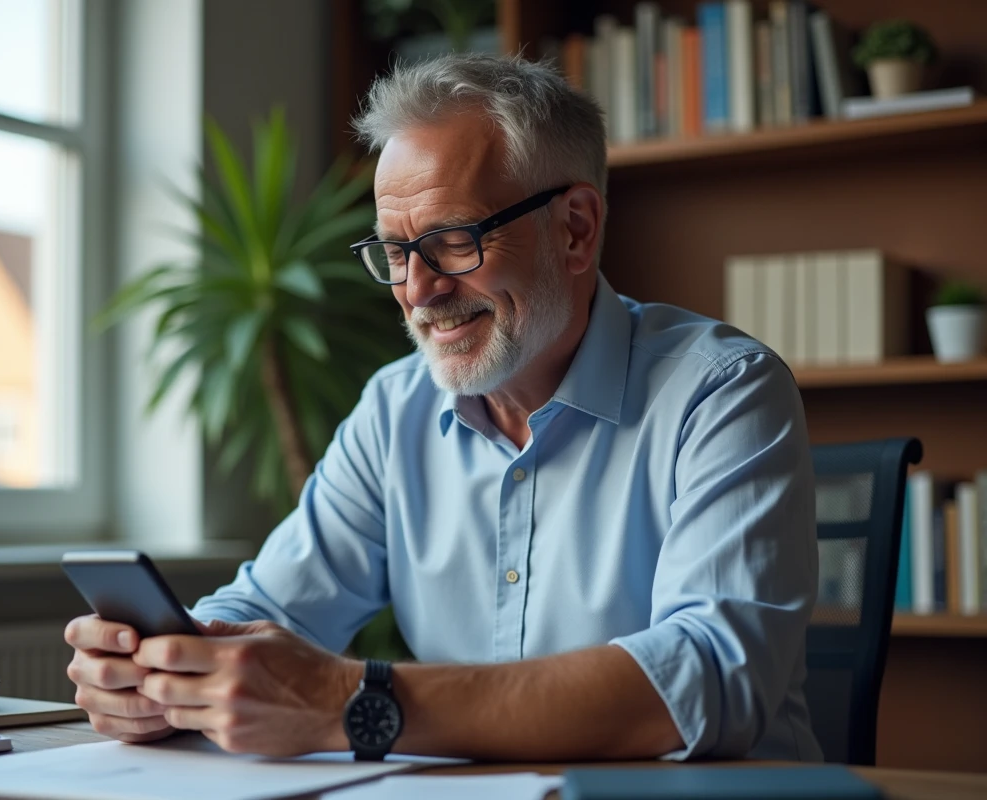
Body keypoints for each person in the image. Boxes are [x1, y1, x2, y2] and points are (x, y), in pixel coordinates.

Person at [65, 54, 821, 763]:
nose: (418, 290)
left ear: (576, 229)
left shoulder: (723, 391)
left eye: (453, 241)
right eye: (395, 252)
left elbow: (713, 675)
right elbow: (273, 609)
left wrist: (353, 699)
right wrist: (165, 672)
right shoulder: (395, 409)